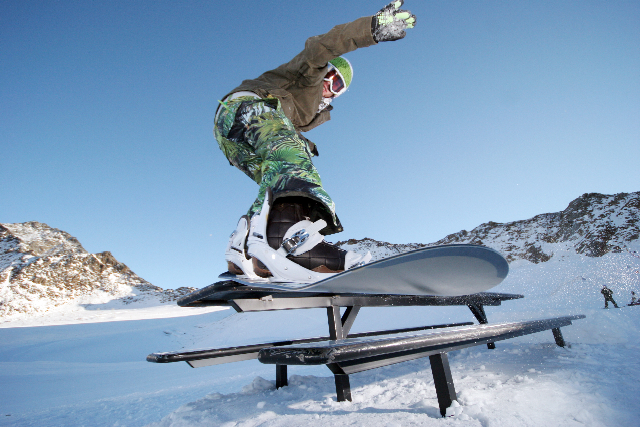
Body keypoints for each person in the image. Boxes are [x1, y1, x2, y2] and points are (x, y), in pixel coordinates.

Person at [214, 2, 416, 282]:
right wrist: (370, 29)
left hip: (232, 138)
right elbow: (321, 47)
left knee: (276, 184)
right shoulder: (307, 74)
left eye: (337, 88)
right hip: (248, 107)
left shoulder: (309, 113)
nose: (329, 89)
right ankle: (290, 241)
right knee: (294, 159)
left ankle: (244, 250)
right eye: (331, 78)